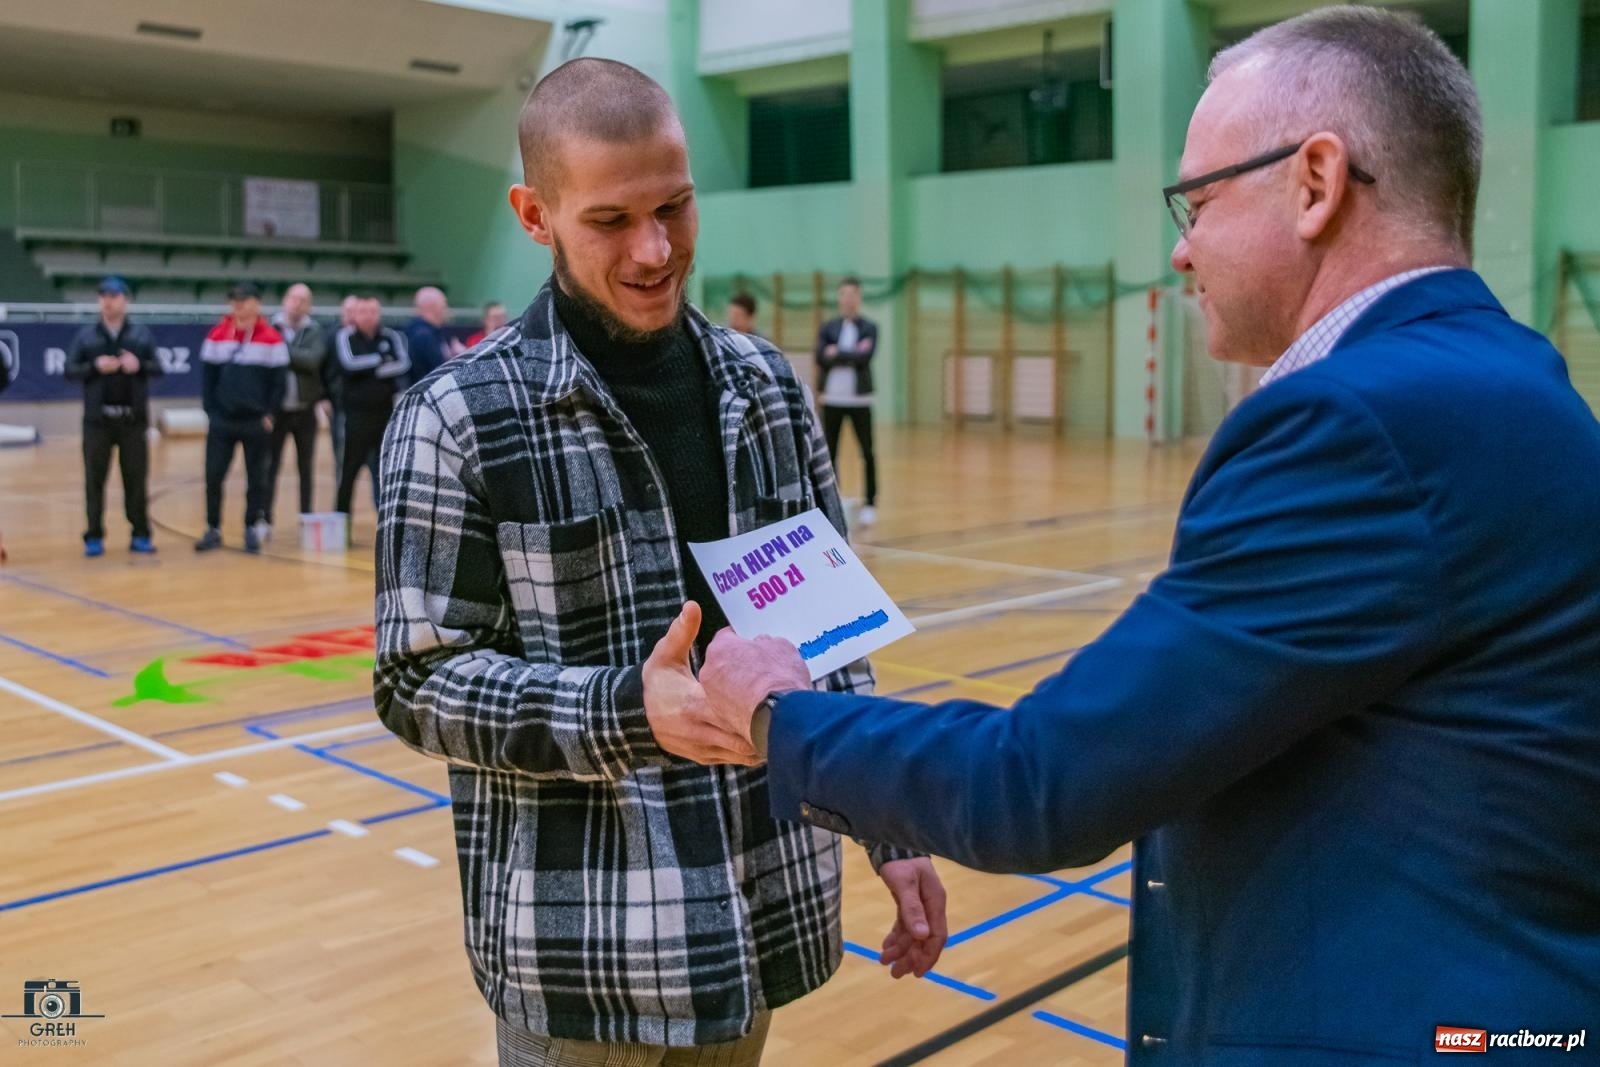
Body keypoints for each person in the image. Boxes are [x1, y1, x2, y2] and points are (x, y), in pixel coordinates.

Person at [689, 7, 1600, 1063]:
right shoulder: (1509, 376)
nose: (1179, 247)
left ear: (1314, 182)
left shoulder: (1362, 420)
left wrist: (774, 710)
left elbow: (1037, 783)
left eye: (1198, 200)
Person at [373, 57, 944, 1067]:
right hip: (588, 956)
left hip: (755, 918)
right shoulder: (454, 418)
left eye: (675, 207)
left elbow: (831, 632)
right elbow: (416, 680)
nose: (654, 248)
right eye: (610, 220)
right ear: (533, 214)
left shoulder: (766, 389)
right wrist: (629, 713)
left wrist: (889, 826)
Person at [63, 276, 161, 557]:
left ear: (126, 300)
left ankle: (140, 533)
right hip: (97, 422)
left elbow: (157, 369)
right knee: (95, 480)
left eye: (114, 296)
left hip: (132, 421)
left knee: (136, 479)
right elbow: (70, 369)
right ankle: (94, 535)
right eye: (103, 295)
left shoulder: (141, 335)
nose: (108, 300)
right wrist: (94, 366)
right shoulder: (86, 335)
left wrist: (138, 365)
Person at [196, 282, 287, 554]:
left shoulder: (272, 338)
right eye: (234, 300)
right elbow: (207, 379)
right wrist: (211, 412)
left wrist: (270, 413)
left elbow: (279, 382)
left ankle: (250, 528)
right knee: (213, 475)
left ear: (257, 303)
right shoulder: (216, 335)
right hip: (222, 421)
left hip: (256, 422)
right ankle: (213, 528)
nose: (239, 305)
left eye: (244, 300)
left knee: (257, 478)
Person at [333, 295, 408, 524]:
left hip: (385, 414)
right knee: (349, 470)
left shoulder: (391, 336)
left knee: (385, 469)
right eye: (364, 312)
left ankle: (386, 521)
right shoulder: (346, 336)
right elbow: (349, 364)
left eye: (374, 311)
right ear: (355, 315)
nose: (369, 316)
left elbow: (403, 363)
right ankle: (341, 521)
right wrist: (380, 360)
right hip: (355, 415)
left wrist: (372, 368)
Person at [263, 282, 327, 537]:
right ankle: (264, 518)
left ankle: (306, 517)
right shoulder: (270, 327)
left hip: (305, 410)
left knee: (306, 467)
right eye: (293, 297)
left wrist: (280, 348)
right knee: (270, 466)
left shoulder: (316, 331)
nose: (297, 303)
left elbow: (312, 361)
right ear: (285, 300)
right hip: (276, 412)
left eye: (303, 299)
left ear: (309, 305)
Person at [814, 277, 878, 525]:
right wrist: (850, 352)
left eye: (852, 294)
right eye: (843, 294)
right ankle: (833, 500)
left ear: (859, 298)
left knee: (867, 452)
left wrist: (837, 352)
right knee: (829, 453)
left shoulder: (869, 328)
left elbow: (865, 357)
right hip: (832, 399)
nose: (847, 299)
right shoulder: (829, 327)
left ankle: (870, 502)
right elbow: (822, 356)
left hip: (860, 400)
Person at [404, 285, 457, 384]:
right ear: (433, 307)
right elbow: (438, 372)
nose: (447, 311)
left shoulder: (432, 333)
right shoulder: (423, 336)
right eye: (444, 306)